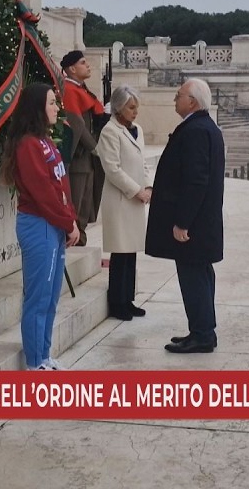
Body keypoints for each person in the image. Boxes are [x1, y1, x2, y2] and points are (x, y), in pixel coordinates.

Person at [0, 83, 79, 370]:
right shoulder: (28, 146)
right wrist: (67, 222)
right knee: (38, 296)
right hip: (39, 225)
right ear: (37, 108)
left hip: (54, 225)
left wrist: (71, 219)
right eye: (51, 103)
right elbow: (43, 191)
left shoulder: (45, 141)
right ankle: (35, 363)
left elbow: (61, 185)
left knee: (51, 296)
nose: (57, 107)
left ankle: (44, 355)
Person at [145, 79, 225, 354]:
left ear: (192, 101)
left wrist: (182, 222)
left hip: (195, 225)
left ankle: (202, 334)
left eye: (179, 95)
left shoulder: (195, 131)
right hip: (202, 223)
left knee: (194, 278)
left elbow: (196, 181)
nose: (174, 99)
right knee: (199, 275)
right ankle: (202, 330)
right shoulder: (204, 127)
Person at [95, 85, 151, 321]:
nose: (135, 112)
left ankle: (128, 299)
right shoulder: (110, 131)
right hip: (120, 200)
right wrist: (136, 190)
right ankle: (117, 302)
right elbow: (112, 169)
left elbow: (142, 162)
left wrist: (147, 185)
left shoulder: (136, 129)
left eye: (136, 107)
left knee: (131, 252)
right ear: (118, 108)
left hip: (136, 198)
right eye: (131, 107)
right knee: (120, 252)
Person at [60, 50, 107, 245]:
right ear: (71, 69)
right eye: (83, 62)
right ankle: (75, 238)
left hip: (87, 158)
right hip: (79, 157)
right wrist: (94, 147)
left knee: (86, 203)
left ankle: (81, 236)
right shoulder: (69, 90)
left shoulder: (81, 89)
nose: (87, 66)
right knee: (77, 202)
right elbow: (77, 124)